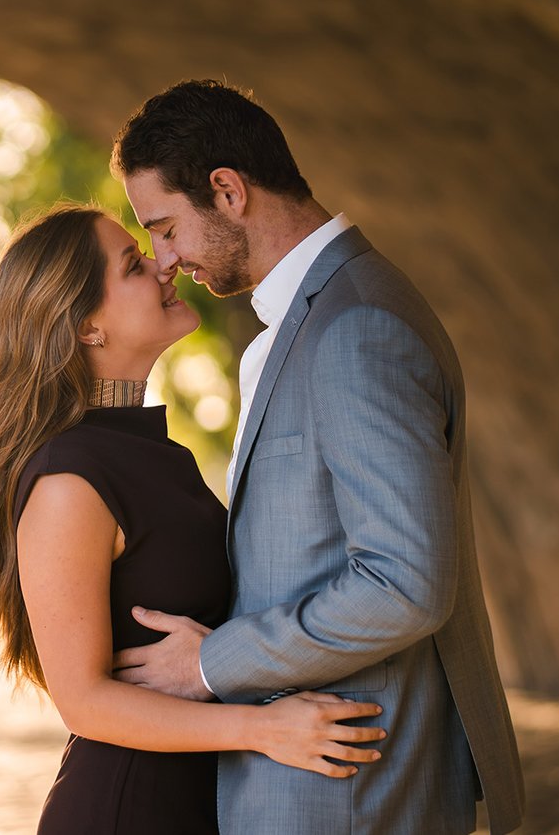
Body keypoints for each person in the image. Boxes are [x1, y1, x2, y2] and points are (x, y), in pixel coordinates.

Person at [108, 80, 526, 834]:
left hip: (353, 785)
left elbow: (406, 583)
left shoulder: (357, 327)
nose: (164, 260)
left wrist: (211, 666)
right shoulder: (314, 320)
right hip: (319, 781)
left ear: (228, 191)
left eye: (166, 228)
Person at [0, 205, 387, 834]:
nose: (165, 266)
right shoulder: (67, 478)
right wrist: (264, 728)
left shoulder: (158, 453)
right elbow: (83, 702)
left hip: (200, 800)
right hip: (128, 810)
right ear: (86, 327)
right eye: (134, 265)